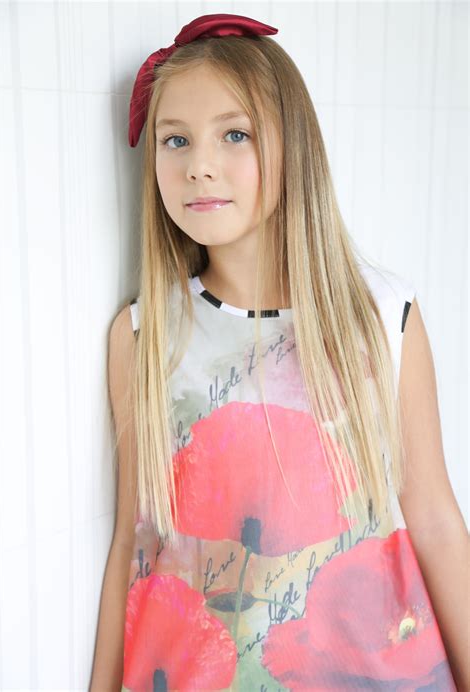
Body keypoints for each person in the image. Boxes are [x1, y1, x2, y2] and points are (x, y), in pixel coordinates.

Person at [90, 13, 469, 692]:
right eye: (175, 139)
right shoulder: (144, 336)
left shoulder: (382, 318)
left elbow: (437, 522)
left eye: (234, 134)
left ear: (293, 146)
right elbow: (133, 541)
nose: (199, 164)